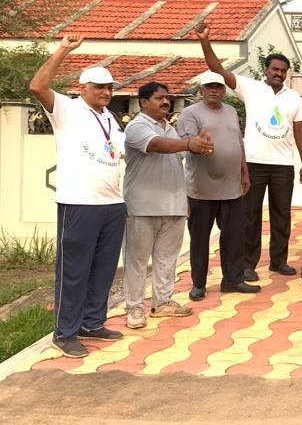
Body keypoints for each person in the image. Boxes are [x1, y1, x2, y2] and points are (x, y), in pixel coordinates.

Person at [29, 36, 127, 358]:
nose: (106, 92)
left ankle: (92, 322)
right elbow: (37, 86)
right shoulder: (67, 109)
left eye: (109, 87)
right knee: (74, 271)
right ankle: (65, 332)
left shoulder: (110, 117)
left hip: (112, 204)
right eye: (99, 87)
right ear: (82, 87)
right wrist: (64, 50)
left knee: (103, 269)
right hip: (80, 204)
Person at [195, 20, 302, 280]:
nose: (278, 73)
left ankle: (278, 260)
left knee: (282, 214)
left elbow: (300, 131)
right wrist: (205, 41)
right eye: (274, 69)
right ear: (266, 70)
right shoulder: (251, 88)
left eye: (283, 71)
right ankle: (248, 263)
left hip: (283, 165)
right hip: (255, 162)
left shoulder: (293, 97)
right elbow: (217, 69)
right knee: (250, 215)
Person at [123, 82, 214, 327]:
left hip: (174, 205)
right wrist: (189, 144)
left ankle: (162, 302)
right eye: (159, 98)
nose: (166, 102)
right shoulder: (137, 126)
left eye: (167, 98)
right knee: (137, 260)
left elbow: (179, 157)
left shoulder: (170, 129)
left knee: (167, 259)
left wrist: (200, 146)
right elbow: (156, 145)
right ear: (143, 102)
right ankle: (134, 308)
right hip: (142, 206)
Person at [178, 71, 258, 301]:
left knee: (234, 237)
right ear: (201, 90)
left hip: (231, 187)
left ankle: (233, 280)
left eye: (218, 87)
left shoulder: (231, 111)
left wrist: (244, 172)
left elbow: (239, 143)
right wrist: (200, 145)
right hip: (201, 189)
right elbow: (187, 144)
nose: (214, 90)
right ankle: (199, 284)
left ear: (224, 90)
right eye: (209, 86)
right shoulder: (190, 113)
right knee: (200, 239)